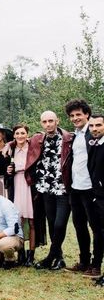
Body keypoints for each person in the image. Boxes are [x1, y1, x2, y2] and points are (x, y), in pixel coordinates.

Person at [28, 111, 73, 271]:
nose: (48, 124)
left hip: (63, 189)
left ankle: (50, 257)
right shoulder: (38, 139)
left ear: (57, 121)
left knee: (60, 224)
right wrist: (8, 144)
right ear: (41, 123)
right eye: (45, 121)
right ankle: (59, 259)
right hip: (46, 189)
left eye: (51, 121)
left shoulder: (69, 139)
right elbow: (18, 141)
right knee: (52, 223)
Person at [64, 100, 100, 278]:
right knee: (79, 227)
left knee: (97, 228)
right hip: (75, 188)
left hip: (91, 189)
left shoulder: (93, 134)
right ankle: (84, 260)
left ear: (87, 114)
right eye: (72, 116)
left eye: (78, 114)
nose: (75, 118)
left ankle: (96, 265)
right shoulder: (75, 135)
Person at [3, 124, 37, 267]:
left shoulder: (32, 147)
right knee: (19, 220)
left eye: (23, 133)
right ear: (14, 135)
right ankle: (21, 253)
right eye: (17, 133)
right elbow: (6, 170)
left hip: (29, 184)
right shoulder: (11, 150)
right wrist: (9, 171)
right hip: (16, 184)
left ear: (27, 134)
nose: (20, 136)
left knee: (32, 221)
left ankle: (31, 254)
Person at [86, 114, 104, 286]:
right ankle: (96, 265)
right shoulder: (93, 144)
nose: (95, 129)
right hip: (95, 196)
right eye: (92, 126)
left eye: (98, 125)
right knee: (98, 232)